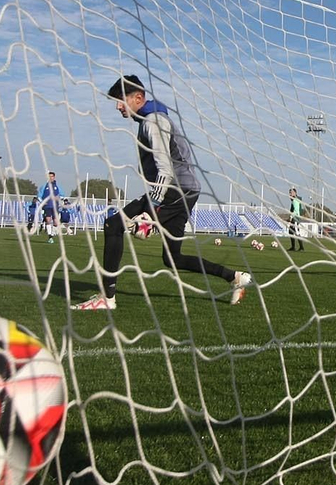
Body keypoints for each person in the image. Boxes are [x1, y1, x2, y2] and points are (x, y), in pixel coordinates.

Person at [73, 75, 251, 311]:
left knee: (113, 225)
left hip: (175, 190)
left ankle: (107, 297)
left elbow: (165, 169)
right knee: (172, 259)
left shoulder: (152, 122)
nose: (117, 106)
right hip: (186, 191)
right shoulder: (153, 119)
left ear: (138, 97)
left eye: (120, 100)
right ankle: (234, 277)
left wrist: (151, 210)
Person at [37, 172, 64, 241]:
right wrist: (42, 202)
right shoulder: (44, 186)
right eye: (49, 176)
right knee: (48, 220)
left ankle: (52, 233)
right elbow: (39, 196)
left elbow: (62, 195)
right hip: (47, 206)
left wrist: (59, 198)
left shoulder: (57, 186)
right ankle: (50, 236)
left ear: (54, 177)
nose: (50, 178)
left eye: (51, 176)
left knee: (55, 221)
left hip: (55, 206)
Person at [286, 187, 306, 252]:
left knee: (297, 232)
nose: (290, 194)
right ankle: (293, 247)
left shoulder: (295, 200)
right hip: (295, 218)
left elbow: (296, 211)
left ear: (295, 193)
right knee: (291, 232)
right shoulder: (294, 200)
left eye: (291, 193)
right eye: (289, 193)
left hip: (296, 218)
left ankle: (301, 248)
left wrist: (291, 217)